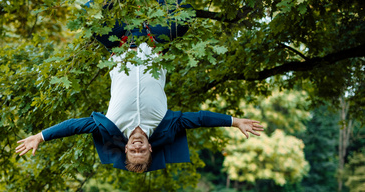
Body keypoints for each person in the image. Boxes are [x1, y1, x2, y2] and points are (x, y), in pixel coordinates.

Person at [16, 1, 264, 172]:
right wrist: (234, 121)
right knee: (185, 15)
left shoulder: (110, 124)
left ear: (124, 148)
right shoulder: (165, 124)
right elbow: (199, 119)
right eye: (141, 151)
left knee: (89, 14)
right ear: (150, 147)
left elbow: (75, 126)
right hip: (152, 40)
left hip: (119, 42)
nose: (137, 147)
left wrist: (41, 136)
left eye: (132, 151)